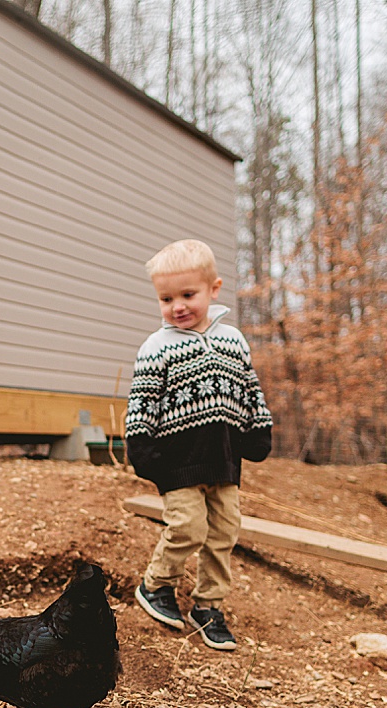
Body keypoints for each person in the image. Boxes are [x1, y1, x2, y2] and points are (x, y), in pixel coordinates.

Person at [124, 239, 273, 652]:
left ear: (214, 289)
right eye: (166, 299)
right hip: (176, 461)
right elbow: (143, 401)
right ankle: (156, 585)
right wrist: (141, 446)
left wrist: (258, 427)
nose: (178, 307)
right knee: (188, 527)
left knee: (223, 533)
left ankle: (208, 605)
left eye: (188, 295)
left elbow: (250, 390)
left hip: (224, 461)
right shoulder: (157, 347)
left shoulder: (233, 340)